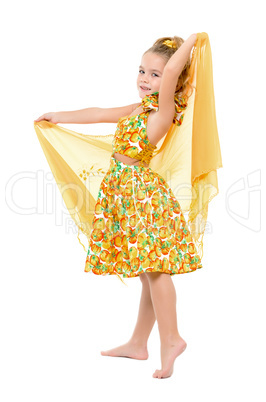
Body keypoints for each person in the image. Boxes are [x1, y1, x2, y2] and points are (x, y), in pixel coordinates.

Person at [34, 33, 222, 379]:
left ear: (171, 82)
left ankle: (172, 338)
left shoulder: (166, 110)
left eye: (155, 74)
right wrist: (60, 116)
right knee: (146, 272)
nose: (144, 79)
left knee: (155, 269)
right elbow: (101, 113)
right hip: (124, 192)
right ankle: (139, 342)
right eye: (141, 71)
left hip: (142, 195)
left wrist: (193, 40)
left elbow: (175, 70)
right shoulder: (140, 109)